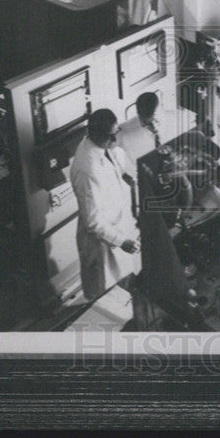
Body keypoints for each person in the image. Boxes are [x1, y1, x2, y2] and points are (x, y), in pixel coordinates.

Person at [70, 108, 139, 302]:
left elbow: (115, 164)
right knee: (106, 298)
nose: (115, 140)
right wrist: (121, 241)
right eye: (111, 136)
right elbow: (93, 222)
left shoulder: (102, 146)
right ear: (96, 134)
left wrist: (125, 176)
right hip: (102, 243)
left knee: (126, 287)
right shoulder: (87, 169)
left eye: (115, 133)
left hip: (119, 226)